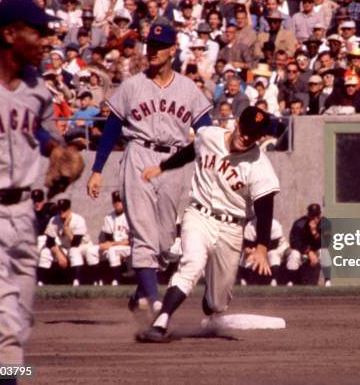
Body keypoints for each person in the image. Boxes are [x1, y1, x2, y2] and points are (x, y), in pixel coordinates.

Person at [0, 0, 74, 372]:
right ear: (9, 34)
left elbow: (38, 131)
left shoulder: (36, 88)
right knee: (4, 328)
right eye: (37, 32)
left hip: (22, 218)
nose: (47, 40)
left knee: (17, 327)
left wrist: (56, 149)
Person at [87, 23, 213, 315]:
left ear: (173, 50)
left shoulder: (188, 88)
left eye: (160, 46)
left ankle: (142, 291)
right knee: (143, 235)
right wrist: (97, 169)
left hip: (172, 162)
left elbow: (205, 133)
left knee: (167, 243)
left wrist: (213, 167)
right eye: (150, 46)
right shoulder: (132, 86)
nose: (153, 51)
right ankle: (155, 301)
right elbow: (111, 129)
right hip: (138, 155)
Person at [135, 106, 279, 342]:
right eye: (245, 130)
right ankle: (161, 321)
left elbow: (265, 205)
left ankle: (211, 297)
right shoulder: (208, 135)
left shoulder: (259, 164)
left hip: (231, 228)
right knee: (191, 264)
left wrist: (262, 246)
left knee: (217, 303)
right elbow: (189, 152)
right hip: (198, 214)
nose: (247, 137)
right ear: (236, 124)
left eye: (254, 134)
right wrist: (161, 167)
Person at [38, 198, 95, 286]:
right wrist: (58, 254)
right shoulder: (54, 220)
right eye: (60, 210)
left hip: (83, 246)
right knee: (45, 252)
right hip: (65, 247)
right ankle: (41, 281)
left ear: (69, 209)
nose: (62, 212)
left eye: (64, 210)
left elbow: (75, 243)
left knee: (74, 251)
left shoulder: (78, 219)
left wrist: (66, 228)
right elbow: (49, 241)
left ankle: (77, 281)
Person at [287, 203, 332, 286]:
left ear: (320, 215)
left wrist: (314, 232)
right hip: (303, 251)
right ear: (308, 215)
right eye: (312, 216)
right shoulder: (299, 223)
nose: (315, 218)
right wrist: (308, 252)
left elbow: (326, 243)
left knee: (325, 252)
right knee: (294, 254)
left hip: (316, 251)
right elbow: (294, 242)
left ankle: (327, 282)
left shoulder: (325, 223)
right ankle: (291, 282)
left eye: (317, 215)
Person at [238, 218, 290, 286]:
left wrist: (259, 252)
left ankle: (274, 280)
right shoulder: (250, 225)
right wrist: (251, 251)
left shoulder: (275, 224)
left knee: (272, 254)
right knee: (248, 256)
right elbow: (248, 245)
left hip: (278, 248)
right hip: (257, 249)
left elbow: (274, 245)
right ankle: (243, 279)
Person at [98, 191, 131, 286]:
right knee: (94, 251)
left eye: (119, 201)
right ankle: (98, 280)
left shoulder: (130, 216)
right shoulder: (109, 217)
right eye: (115, 201)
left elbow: (131, 240)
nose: (117, 203)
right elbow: (108, 238)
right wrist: (109, 245)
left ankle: (116, 279)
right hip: (117, 246)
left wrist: (112, 245)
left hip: (130, 247)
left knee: (112, 250)